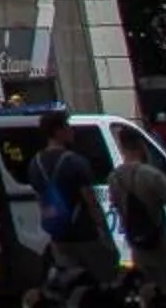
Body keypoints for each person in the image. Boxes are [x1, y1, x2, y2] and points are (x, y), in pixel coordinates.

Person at [30, 110, 115, 294]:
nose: (72, 131)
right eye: (68, 127)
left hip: (58, 234)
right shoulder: (75, 162)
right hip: (84, 232)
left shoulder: (35, 164)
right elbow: (90, 201)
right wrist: (103, 230)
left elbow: (40, 200)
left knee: (71, 285)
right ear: (58, 131)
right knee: (102, 283)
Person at [112, 126, 166, 307]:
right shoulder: (153, 175)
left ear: (121, 146)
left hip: (138, 247)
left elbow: (119, 211)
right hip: (162, 244)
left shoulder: (114, 178)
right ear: (141, 145)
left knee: (148, 292)